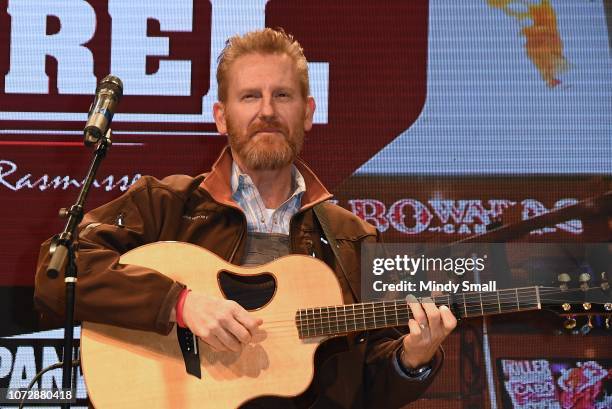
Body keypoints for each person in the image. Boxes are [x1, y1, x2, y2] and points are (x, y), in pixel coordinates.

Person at [35, 28, 456, 408]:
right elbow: (58, 275)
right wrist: (180, 304)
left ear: (308, 112)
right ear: (222, 116)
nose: (267, 111)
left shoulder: (353, 239)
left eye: (283, 96)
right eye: (250, 96)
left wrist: (412, 358)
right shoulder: (163, 204)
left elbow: (366, 385)